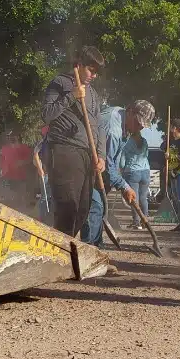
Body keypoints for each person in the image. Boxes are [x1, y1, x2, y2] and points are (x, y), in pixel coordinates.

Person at [42, 46, 107, 239]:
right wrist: (71, 96)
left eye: (96, 72)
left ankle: (67, 248)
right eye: (91, 70)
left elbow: (99, 127)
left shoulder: (93, 94)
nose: (94, 76)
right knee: (67, 209)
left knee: (83, 209)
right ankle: (61, 256)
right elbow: (47, 115)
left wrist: (101, 155)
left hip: (87, 155)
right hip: (64, 151)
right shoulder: (59, 83)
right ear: (78, 65)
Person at [81, 101, 152, 245]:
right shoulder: (113, 131)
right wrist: (124, 186)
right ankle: (90, 250)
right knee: (95, 207)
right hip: (89, 167)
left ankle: (96, 247)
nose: (140, 128)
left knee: (99, 208)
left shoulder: (120, 113)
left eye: (143, 125)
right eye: (138, 123)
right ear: (130, 112)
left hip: (99, 168)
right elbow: (107, 163)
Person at [117, 101, 158, 229]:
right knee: (143, 198)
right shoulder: (145, 142)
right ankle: (145, 221)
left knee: (133, 198)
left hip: (132, 171)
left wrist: (120, 170)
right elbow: (146, 155)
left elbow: (122, 160)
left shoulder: (128, 142)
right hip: (145, 171)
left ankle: (136, 223)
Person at [0, 132, 34, 211]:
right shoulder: (4, 148)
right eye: (9, 136)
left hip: (21, 177)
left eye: (12, 136)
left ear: (18, 137)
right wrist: (0, 169)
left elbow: (31, 159)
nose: (10, 138)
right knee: (9, 199)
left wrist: (22, 162)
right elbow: (0, 159)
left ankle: (21, 215)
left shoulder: (24, 147)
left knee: (21, 198)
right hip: (7, 177)